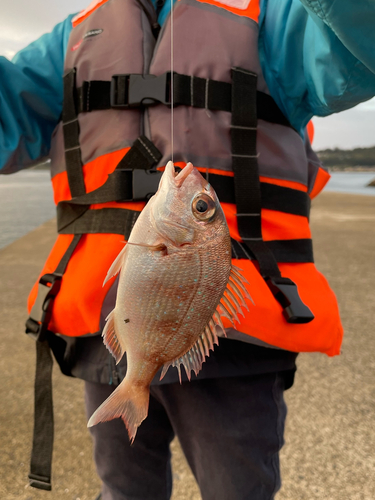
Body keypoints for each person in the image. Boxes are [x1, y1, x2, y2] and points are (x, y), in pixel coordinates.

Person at [1, 0, 375, 499]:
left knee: (238, 490)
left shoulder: (276, 18)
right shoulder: (70, 39)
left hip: (236, 340)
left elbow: (361, 49)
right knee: (123, 489)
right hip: (108, 326)